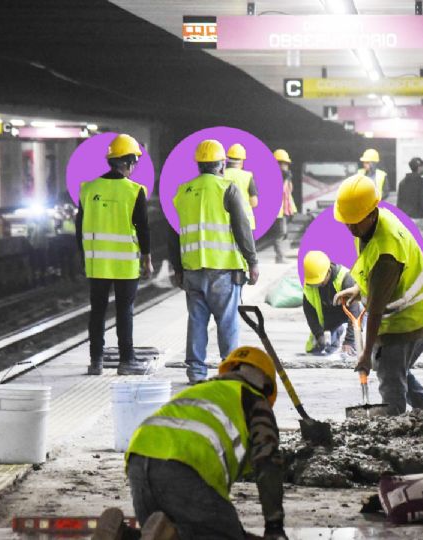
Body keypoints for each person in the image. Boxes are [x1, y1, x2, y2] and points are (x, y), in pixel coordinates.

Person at [94, 346, 287, 540]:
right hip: (185, 466)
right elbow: (267, 463)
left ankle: (121, 535)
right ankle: (173, 536)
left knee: (157, 532)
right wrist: (274, 526)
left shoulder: (200, 389)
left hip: (139, 459)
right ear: (265, 384)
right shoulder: (254, 400)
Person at [333, 175, 423, 415]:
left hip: (410, 316)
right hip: (418, 306)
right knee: (396, 368)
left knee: (389, 372)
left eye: (355, 222)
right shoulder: (375, 222)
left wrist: (366, 354)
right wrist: (359, 289)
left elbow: (376, 311)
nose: (350, 227)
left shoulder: (386, 254)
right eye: (347, 222)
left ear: (371, 212)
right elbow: (375, 278)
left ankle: (392, 425)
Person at [169, 140, 259, 384]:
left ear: (199, 165)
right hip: (223, 269)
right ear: (221, 165)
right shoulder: (227, 189)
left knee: (197, 321)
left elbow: (174, 232)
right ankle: (230, 371)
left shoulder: (183, 191)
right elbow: (242, 228)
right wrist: (252, 261)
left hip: (192, 270)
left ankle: (196, 372)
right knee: (227, 322)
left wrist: (176, 268)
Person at [77, 133, 152, 376]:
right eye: (134, 163)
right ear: (128, 162)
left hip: (97, 263)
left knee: (97, 311)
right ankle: (126, 360)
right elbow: (143, 228)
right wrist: (147, 258)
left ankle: (96, 361)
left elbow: (79, 229)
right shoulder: (134, 191)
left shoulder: (88, 189)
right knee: (124, 312)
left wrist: (84, 257)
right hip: (125, 265)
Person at [301, 250, 362, 356]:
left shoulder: (345, 278)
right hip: (330, 315)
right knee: (317, 349)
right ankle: (336, 332)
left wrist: (349, 341)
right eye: (314, 283)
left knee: (351, 350)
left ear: (328, 271)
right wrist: (319, 334)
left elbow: (354, 312)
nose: (317, 285)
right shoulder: (310, 284)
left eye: (320, 281)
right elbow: (310, 313)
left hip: (353, 312)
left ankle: (356, 340)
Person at [224, 143, 259, 231]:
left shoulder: (221, 175)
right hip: (245, 222)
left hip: (225, 222)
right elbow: (254, 202)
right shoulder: (247, 176)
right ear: (242, 161)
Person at [272, 149, 296, 264]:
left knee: (283, 232)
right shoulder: (273, 177)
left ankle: (280, 256)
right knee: (280, 233)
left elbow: (289, 191)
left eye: (285, 163)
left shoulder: (286, 177)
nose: (285, 166)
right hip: (278, 211)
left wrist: (287, 179)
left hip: (285, 210)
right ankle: (279, 257)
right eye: (282, 163)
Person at [396, 157, 423, 221]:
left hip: (405, 220)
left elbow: (399, 203)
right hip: (418, 219)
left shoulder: (402, 182)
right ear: (419, 167)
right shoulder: (422, 182)